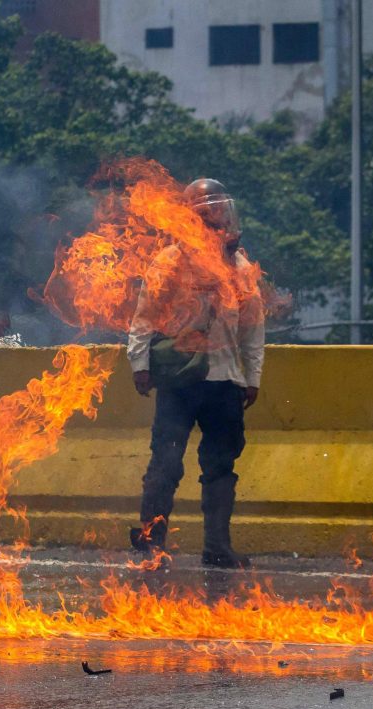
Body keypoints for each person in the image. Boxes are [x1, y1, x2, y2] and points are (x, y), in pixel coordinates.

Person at [126, 178, 265, 569]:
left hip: (224, 382)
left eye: (220, 212)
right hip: (181, 380)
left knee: (221, 465)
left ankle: (218, 547)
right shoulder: (171, 260)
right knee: (166, 463)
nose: (217, 221)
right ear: (192, 219)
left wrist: (251, 377)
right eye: (207, 214)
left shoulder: (240, 267)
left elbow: (252, 329)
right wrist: (140, 364)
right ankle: (152, 544)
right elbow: (144, 317)